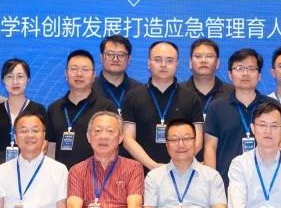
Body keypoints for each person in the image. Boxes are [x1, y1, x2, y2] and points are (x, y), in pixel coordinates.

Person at [121, 41, 204, 170]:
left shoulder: (191, 98)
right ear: (149, 63)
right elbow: (128, 139)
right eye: (158, 60)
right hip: (143, 170)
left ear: (177, 64)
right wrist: (153, 166)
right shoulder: (133, 97)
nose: (163, 65)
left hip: (182, 170)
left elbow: (197, 139)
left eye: (169, 60)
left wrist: (177, 164)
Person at [203, 48, 271, 184]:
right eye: (239, 68)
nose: (245, 73)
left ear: (259, 75)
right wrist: (212, 184)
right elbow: (210, 147)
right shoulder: (217, 107)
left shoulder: (271, 106)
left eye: (251, 69)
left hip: (266, 182)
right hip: (226, 182)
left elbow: (280, 146)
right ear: (230, 74)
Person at [46, 50, 116, 169]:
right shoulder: (54, 108)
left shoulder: (107, 108)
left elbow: (114, 146)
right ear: (66, 74)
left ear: (93, 75)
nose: (79, 74)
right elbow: (50, 147)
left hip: (96, 175)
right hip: (62, 176)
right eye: (74, 69)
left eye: (85, 69)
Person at [0, 58, 47, 171]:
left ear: (28, 79)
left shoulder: (38, 109)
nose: (15, 82)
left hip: (31, 169)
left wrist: (30, 168)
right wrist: (0, 173)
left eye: (20, 76)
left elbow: (44, 143)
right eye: (10, 76)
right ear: (3, 80)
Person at [90, 34, 142, 115]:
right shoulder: (89, 88)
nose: (115, 59)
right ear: (101, 57)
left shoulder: (140, 91)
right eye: (110, 54)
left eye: (121, 55)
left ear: (129, 59)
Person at [181, 38, 231, 121]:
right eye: (198, 56)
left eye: (209, 56)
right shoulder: (178, 92)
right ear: (190, 62)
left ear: (218, 63)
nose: (203, 60)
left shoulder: (232, 93)